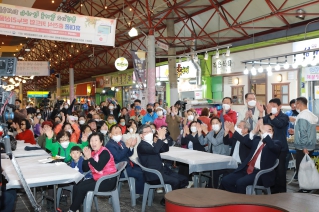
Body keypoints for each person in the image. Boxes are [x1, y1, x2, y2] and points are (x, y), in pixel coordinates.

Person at [221, 120, 282, 194]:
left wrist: (264, 131)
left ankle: (242, 203)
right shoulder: (256, 140)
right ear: (260, 133)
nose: (266, 133)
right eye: (263, 130)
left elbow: (272, 147)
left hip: (260, 173)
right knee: (226, 180)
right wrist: (254, 131)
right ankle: (238, 199)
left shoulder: (277, 143)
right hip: (246, 169)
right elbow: (245, 141)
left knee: (240, 183)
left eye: (269, 131)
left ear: (273, 133)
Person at [137, 125, 188, 206]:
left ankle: (173, 198)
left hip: (162, 170)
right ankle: (167, 201)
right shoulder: (141, 146)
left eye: (150, 131)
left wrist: (163, 138)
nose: (149, 133)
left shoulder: (152, 143)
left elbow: (165, 149)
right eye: (146, 132)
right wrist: (160, 139)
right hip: (154, 175)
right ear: (141, 135)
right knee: (176, 182)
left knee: (184, 179)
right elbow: (155, 150)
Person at [68, 133, 117, 212]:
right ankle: (76, 209)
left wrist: (90, 158)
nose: (93, 143)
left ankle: (72, 210)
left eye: (96, 140)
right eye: (91, 140)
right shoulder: (94, 153)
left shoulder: (105, 152)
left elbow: (99, 167)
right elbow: (85, 169)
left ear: (101, 142)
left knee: (81, 188)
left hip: (108, 181)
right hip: (98, 178)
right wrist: (86, 158)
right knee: (76, 186)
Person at [256, 98, 289, 193]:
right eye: (270, 106)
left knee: (280, 171)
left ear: (280, 106)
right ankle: (271, 191)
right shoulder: (267, 117)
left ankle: (282, 193)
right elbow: (260, 124)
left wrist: (271, 115)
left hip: (281, 148)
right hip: (269, 147)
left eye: (274, 106)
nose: (271, 108)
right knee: (270, 170)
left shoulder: (284, 117)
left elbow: (279, 124)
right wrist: (261, 112)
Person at [105, 125, 145, 196]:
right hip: (121, 169)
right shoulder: (110, 145)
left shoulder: (121, 142)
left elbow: (128, 154)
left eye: (120, 132)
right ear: (110, 135)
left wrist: (131, 146)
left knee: (143, 170)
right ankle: (138, 193)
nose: (119, 134)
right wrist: (127, 146)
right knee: (141, 174)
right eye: (116, 133)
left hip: (128, 165)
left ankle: (139, 190)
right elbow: (118, 157)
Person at [293, 97, 318, 185]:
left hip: (303, 147)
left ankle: (304, 187)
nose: (295, 106)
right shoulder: (310, 114)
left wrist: (304, 146)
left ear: (299, 104)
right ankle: (308, 186)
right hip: (310, 146)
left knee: (301, 169)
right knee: (307, 169)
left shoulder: (303, 116)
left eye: (296, 104)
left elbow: (303, 132)